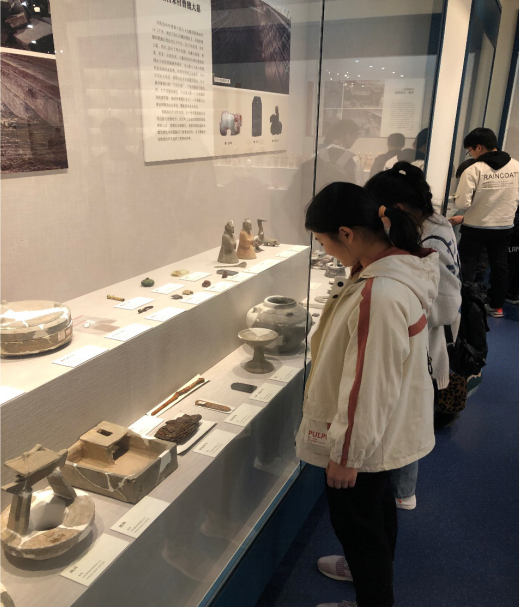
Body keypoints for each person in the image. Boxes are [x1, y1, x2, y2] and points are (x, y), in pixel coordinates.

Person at [296, 182, 439, 607]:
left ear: (347, 233)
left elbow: (368, 383)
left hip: (365, 440)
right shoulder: (389, 269)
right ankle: (368, 576)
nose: (324, 251)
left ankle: (372, 594)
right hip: (383, 431)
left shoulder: (380, 293)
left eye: (323, 242)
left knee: (359, 527)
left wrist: (347, 455)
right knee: (375, 515)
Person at [365, 162, 462, 510]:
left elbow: (446, 306)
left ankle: (403, 493)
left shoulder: (430, 237)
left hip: (424, 347)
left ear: (397, 208)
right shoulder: (431, 225)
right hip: (418, 341)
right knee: (405, 414)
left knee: (405, 417)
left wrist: (397, 300)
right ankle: (401, 490)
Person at [449, 127, 519, 318]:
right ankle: (496, 306)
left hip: (476, 226)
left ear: (479, 147)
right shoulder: (516, 166)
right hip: (504, 225)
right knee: (500, 265)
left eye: (470, 150)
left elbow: (463, 203)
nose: (470, 154)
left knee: (467, 265)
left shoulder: (474, 169)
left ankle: (462, 304)